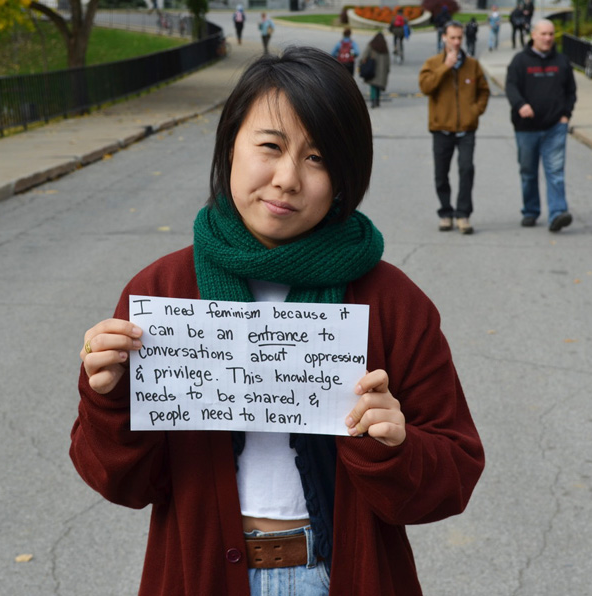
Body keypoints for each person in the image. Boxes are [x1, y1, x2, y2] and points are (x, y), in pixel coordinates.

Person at [71, 46, 484, 596]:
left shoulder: (392, 302)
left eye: (318, 158)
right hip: (203, 575)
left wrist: (396, 445)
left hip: (343, 575)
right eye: (271, 146)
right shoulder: (162, 293)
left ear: (345, 177)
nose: (288, 178)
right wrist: (109, 399)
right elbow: (118, 480)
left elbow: (453, 476)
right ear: (231, 145)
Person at [419, 21, 490, 235]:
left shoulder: (473, 65)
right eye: (453, 38)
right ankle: (446, 213)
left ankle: (463, 215)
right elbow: (425, 87)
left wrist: (474, 111)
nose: (457, 42)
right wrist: (445, 66)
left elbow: (484, 91)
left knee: (466, 169)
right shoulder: (433, 63)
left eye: (460, 37)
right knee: (441, 174)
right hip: (441, 129)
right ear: (444, 38)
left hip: (466, 130)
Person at [505, 19, 577, 232]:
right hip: (526, 128)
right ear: (533, 35)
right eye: (543, 34)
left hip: (555, 126)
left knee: (555, 171)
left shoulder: (562, 61)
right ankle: (530, 210)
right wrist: (520, 105)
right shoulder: (520, 61)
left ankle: (557, 213)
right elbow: (511, 86)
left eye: (551, 34)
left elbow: (571, 91)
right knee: (528, 172)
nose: (547, 38)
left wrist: (566, 115)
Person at [360, 31, 390, 108]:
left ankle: (373, 101)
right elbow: (388, 60)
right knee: (378, 86)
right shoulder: (385, 48)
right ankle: (377, 101)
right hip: (382, 71)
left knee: (373, 86)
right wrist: (387, 69)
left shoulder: (371, 45)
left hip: (372, 68)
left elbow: (364, 56)